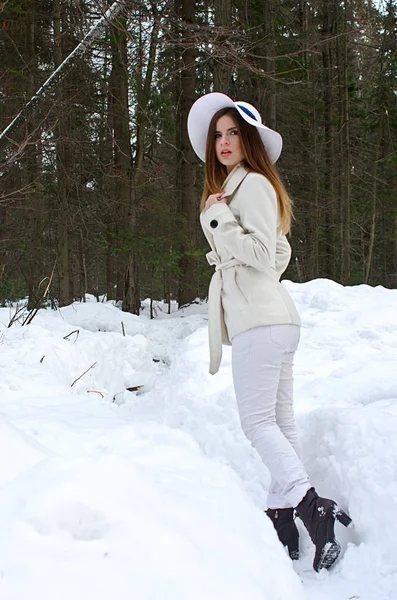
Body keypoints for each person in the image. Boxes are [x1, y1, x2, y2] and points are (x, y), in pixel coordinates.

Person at [187, 92, 351, 572]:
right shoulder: (247, 189)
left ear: (249, 139)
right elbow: (279, 255)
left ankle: (310, 506)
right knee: (280, 425)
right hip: (273, 320)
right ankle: (282, 515)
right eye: (218, 134)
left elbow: (262, 255)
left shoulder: (251, 187)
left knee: (257, 425)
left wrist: (217, 222)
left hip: (261, 323)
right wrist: (228, 229)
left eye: (233, 132)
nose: (223, 141)